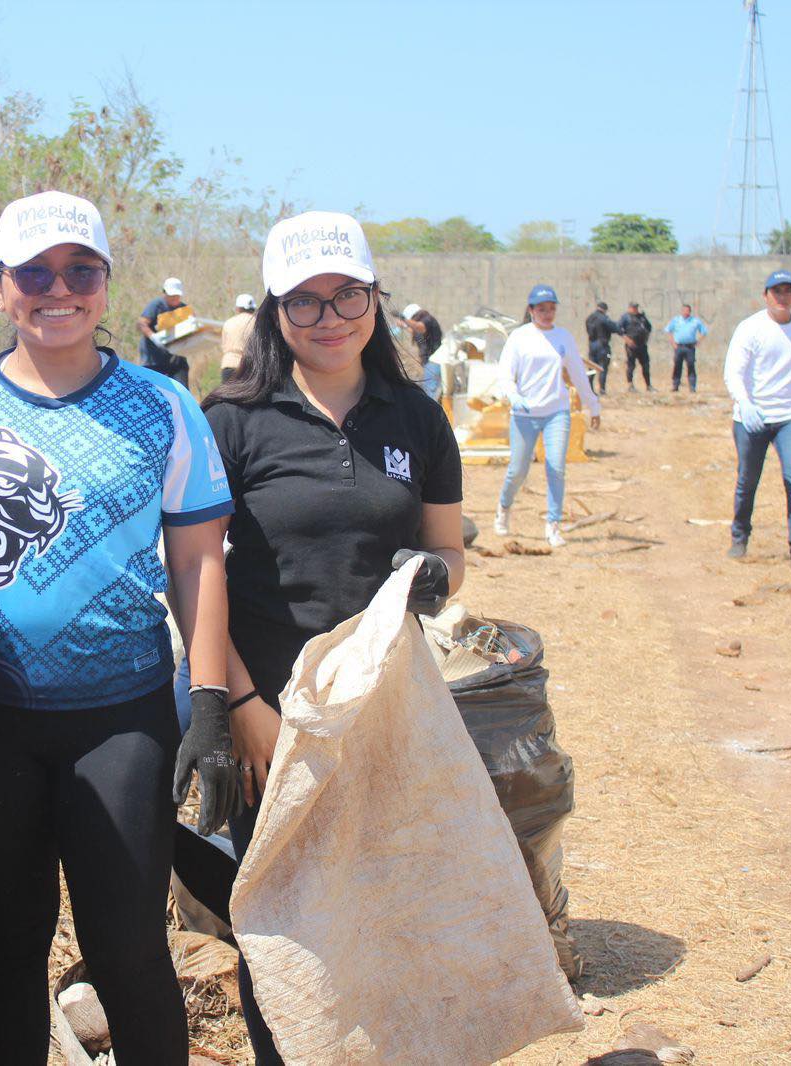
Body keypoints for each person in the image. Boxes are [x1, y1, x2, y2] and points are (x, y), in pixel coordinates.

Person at [0, 191, 235, 1066]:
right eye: (33, 273)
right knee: (7, 949)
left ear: (107, 286)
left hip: (122, 719)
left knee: (129, 953)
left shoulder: (163, 407)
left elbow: (198, 562)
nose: (57, 289)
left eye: (80, 271)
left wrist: (212, 703)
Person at [203, 211, 465, 1065]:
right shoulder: (234, 421)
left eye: (347, 294)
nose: (330, 317)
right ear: (276, 313)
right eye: (305, 301)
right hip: (271, 713)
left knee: (385, 897)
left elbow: (451, 553)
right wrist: (240, 705)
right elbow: (195, 574)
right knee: (286, 919)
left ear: (375, 299)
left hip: (385, 704)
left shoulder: (416, 418)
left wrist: (434, 576)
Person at [722, 269, 791, 569]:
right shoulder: (750, 328)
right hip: (751, 417)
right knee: (748, 479)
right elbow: (733, 371)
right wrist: (745, 404)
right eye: (776, 291)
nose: (782, 297)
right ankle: (740, 536)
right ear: (765, 295)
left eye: (788, 291)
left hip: (790, 417)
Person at [493, 284, 602, 547]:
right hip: (524, 413)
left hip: (557, 411)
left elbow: (577, 374)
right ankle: (504, 507)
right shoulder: (520, 337)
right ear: (531, 310)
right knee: (518, 470)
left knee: (556, 467)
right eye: (542, 309)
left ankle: (553, 525)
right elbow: (505, 375)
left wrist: (593, 405)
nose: (547, 314)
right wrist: (514, 396)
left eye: (551, 309)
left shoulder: (563, 337)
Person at [138, 275, 192, 384]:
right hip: (154, 359)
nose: (174, 298)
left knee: (181, 389)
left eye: (176, 295)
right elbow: (142, 323)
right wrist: (154, 337)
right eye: (171, 295)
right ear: (165, 293)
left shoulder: (184, 309)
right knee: (154, 391)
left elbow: (192, 326)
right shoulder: (156, 305)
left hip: (176, 358)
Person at [396, 302, 444, 400]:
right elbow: (415, 330)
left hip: (434, 361)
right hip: (429, 361)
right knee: (431, 390)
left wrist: (405, 320)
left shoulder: (427, 319)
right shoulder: (424, 321)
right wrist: (404, 326)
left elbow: (419, 327)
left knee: (431, 392)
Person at [664, 302, 709, 392]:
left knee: (691, 366)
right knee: (677, 366)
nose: (686, 312)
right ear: (681, 311)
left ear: (690, 311)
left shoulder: (695, 321)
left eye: (687, 310)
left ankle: (692, 387)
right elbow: (668, 330)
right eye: (684, 310)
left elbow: (704, 331)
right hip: (679, 347)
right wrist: (673, 343)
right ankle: (675, 385)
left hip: (690, 347)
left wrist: (698, 341)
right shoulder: (676, 320)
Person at [220, 292, 256, 383]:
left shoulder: (228, 323)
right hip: (248, 368)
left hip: (228, 365)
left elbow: (224, 346)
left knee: (228, 396)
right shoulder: (257, 322)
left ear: (238, 308)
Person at [584, 300, 619, 395]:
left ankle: (589, 389)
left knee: (592, 368)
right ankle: (602, 389)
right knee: (603, 367)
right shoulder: (604, 318)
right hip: (602, 346)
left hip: (592, 345)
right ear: (605, 310)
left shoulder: (589, 318)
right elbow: (615, 328)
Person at [619, 301, 653, 391]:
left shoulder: (642, 317)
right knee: (631, 365)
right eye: (633, 307)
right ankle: (630, 385)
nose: (635, 309)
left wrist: (646, 338)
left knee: (645, 365)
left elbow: (649, 328)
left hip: (642, 345)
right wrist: (627, 339)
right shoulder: (625, 317)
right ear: (629, 308)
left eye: (636, 307)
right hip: (631, 346)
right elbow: (619, 329)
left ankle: (648, 385)